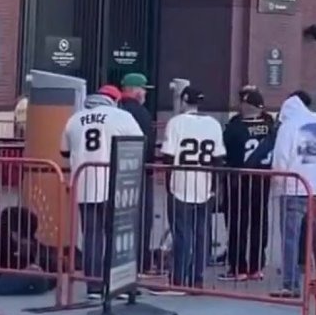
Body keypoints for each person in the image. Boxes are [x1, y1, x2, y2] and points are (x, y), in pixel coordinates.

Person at [60, 87, 143, 300]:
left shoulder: (75, 119)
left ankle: (94, 286)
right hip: (115, 185)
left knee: (91, 237)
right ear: (114, 100)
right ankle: (119, 284)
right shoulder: (122, 117)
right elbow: (139, 144)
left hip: (84, 184)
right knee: (118, 236)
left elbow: (64, 151)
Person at [153, 86, 221, 294]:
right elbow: (219, 158)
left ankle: (179, 278)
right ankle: (197, 279)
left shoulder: (176, 123)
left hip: (180, 183)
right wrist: (215, 186)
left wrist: (167, 181)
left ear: (183, 101)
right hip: (204, 184)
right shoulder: (213, 124)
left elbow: (168, 155)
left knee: (182, 234)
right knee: (201, 234)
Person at [270, 91, 316, 298]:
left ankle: (291, 283)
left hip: (294, 188)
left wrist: (277, 185)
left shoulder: (288, 127)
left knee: (291, 237)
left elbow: (280, 159)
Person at [220, 87, 275, 281]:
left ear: (245, 105)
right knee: (259, 222)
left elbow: (225, 151)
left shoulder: (236, 126)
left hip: (239, 181)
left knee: (237, 223)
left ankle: (238, 266)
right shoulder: (270, 126)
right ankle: (257, 265)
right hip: (263, 180)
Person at [0, 206, 57, 296]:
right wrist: (27, 265)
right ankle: (47, 282)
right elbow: (7, 264)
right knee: (36, 276)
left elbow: (38, 250)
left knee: (38, 273)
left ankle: (47, 281)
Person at [118, 72, 158, 276]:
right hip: (140, 171)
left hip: (117, 172)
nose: (145, 93)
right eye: (143, 89)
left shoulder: (116, 109)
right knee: (142, 219)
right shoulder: (141, 113)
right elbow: (148, 143)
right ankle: (141, 262)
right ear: (134, 90)